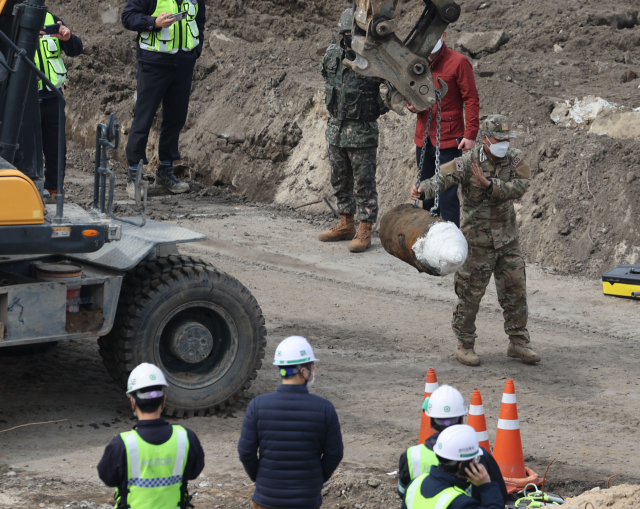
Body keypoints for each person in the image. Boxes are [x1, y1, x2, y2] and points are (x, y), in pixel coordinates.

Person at [410, 115, 540, 366]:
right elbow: (444, 177)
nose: (503, 144)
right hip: (477, 241)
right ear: (484, 139)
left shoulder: (514, 159)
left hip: (507, 240)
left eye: (506, 139)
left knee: (515, 292)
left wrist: (490, 185)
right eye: (498, 139)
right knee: (469, 295)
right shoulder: (469, 162)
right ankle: (465, 343)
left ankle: (519, 342)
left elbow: (522, 185)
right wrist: (423, 189)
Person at [238, 336, 344, 509]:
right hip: (306, 501)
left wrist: (261, 479)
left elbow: (245, 452)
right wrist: (316, 480)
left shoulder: (257, 406)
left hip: (266, 499)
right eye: (312, 367)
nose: (313, 371)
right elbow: (335, 454)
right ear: (303, 371)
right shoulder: (325, 409)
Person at [318, 8, 388, 253]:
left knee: (364, 184)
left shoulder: (374, 59)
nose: (349, 37)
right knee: (339, 179)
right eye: (346, 32)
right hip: (336, 131)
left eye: (353, 33)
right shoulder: (331, 55)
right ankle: (345, 222)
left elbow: (390, 93)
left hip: (362, 133)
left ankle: (365, 227)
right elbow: (326, 77)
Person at [121, 0, 206, 196]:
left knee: (175, 119)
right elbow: (128, 17)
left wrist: (196, 50)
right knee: (144, 118)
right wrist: (154, 22)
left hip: (184, 64)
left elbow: (198, 20)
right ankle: (135, 175)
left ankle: (165, 172)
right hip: (154, 63)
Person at [97, 363, 205, 509]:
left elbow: (108, 478)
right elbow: (193, 472)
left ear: (133, 401)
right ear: (164, 400)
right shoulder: (185, 438)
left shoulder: (122, 444)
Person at [408, 31, 479, 227]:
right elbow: (410, 91)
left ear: (444, 35)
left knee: (447, 195)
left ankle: (450, 243)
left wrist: (470, 134)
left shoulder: (459, 62)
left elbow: (471, 98)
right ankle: (429, 240)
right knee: (426, 193)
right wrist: (411, 104)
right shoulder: (417, 63)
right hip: (423, 139)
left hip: (449, 139)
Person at [397, 385, 507, 504]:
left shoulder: (410, 456)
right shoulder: (477, 456)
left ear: (431, 422)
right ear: (461, 420)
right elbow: (499, 497)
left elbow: (404, 494)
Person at [35, 13, 83, 204]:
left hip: (53, 97)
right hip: (25, 99)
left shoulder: (50, 19)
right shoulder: (8, 19)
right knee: (26, 150)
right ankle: (28, 191)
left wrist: (68, 38)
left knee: (56, 148)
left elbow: (76, 49)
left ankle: (54, 191)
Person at [401, 425, 504, 509]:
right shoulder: (462, 503)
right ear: (462, 465)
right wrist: (486, 487)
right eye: (475, 460)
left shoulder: (414, 484)